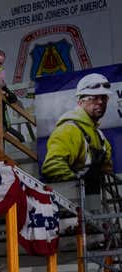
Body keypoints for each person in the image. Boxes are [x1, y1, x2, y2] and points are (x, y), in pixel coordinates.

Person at [41, 73, 112, 210]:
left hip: (95, 207)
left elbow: (107, 172)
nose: (100, 102)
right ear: (80, 102)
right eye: (93, 98)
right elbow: (52, 167)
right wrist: (79, 186)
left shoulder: (101, 137)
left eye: (103, 98)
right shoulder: (68, 130)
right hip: (74, 211)